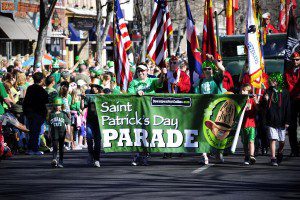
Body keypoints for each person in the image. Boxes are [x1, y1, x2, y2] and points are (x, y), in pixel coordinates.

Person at [128, 63, 167, 165]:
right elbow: (129, 94)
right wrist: (137, 93)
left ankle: (144, 156)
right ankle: (136, 156)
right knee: (137, 133)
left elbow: (159, 81)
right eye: (139, 71)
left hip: (150, 112)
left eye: (143, 70)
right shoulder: (133, 82)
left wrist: (163, 75)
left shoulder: (152, 80)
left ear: (147, 72)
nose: (141, 72)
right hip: (137, 112)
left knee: (148, 133)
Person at [194, 59, 226, 165]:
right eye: (205, 69)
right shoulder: (200, 82)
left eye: (209, 68)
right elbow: (196, 97)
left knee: (217, 133)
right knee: (203, 133)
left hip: (217, 110)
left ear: (212, 69)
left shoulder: (216, 79)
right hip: (205, 111)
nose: (207, 70)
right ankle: (204, 155)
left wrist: (215, 62)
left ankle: (218, 153)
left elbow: (223, 70)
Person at [263, 72, 291, 166]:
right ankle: (273, 158)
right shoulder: (268, 91)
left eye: (273, 80)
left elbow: (288, 107)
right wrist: (266, 100)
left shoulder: (284, 92)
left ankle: (280, 152)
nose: (270, 81)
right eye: (270, 79)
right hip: (271, 120)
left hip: (282, 120)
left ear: (278, 81)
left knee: (282, 140)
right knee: (273, 139)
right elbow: (264, 107)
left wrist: (287, 120)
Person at [23, 72, 49, 155]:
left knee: (32, 131)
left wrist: (26, 112)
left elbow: (26, 101)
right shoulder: (41, 90)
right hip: (38, 113)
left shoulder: (30, 88)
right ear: (41, 80)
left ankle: (31, 148)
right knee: (36, 132)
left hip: (30, 112)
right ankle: (34, 149)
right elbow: (46, 101)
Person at [82, 78, 102, 168]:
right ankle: (90, 154)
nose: (94, 88)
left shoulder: (102, 96)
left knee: (98, 141)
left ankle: (97, 159)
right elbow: (83, 107)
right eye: (93, 87)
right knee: (89, 138)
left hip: (100, 121)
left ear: (98, 88)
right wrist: (82, 99)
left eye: (95, 87)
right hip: (90, 120)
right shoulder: (89, 96)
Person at [284, 51, 300, 157]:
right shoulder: (287, 72)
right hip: (292, 100)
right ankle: (294, 149)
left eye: (297, 59)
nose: (295, 61)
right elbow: (286, 86)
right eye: (294, 59)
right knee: (292, 126)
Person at [48, 97, 71, 168]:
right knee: (54, 147)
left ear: (61, 105)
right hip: (54, 133)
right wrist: (49, 132)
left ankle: (61, 161)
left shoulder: (63, 114)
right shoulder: (51, 114)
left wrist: (68, 131)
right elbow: (49, 125)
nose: (58, 107)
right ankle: (54, 159)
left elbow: (68, 123)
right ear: (54, 106)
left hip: (62, 133)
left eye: (59, 105)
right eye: (56, 105)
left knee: (61, 148)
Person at [240, 84, 259, 165]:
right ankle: (246, 156)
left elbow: (258, 109)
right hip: (243, 125)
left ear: (249, 91)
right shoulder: (240, 100)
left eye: (244, 90)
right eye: (242, 90)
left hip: (251, 124)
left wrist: (256, 101)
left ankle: (251, 156)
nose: (242, 91)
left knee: (251, 141)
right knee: (245, 142)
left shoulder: (251, 100)